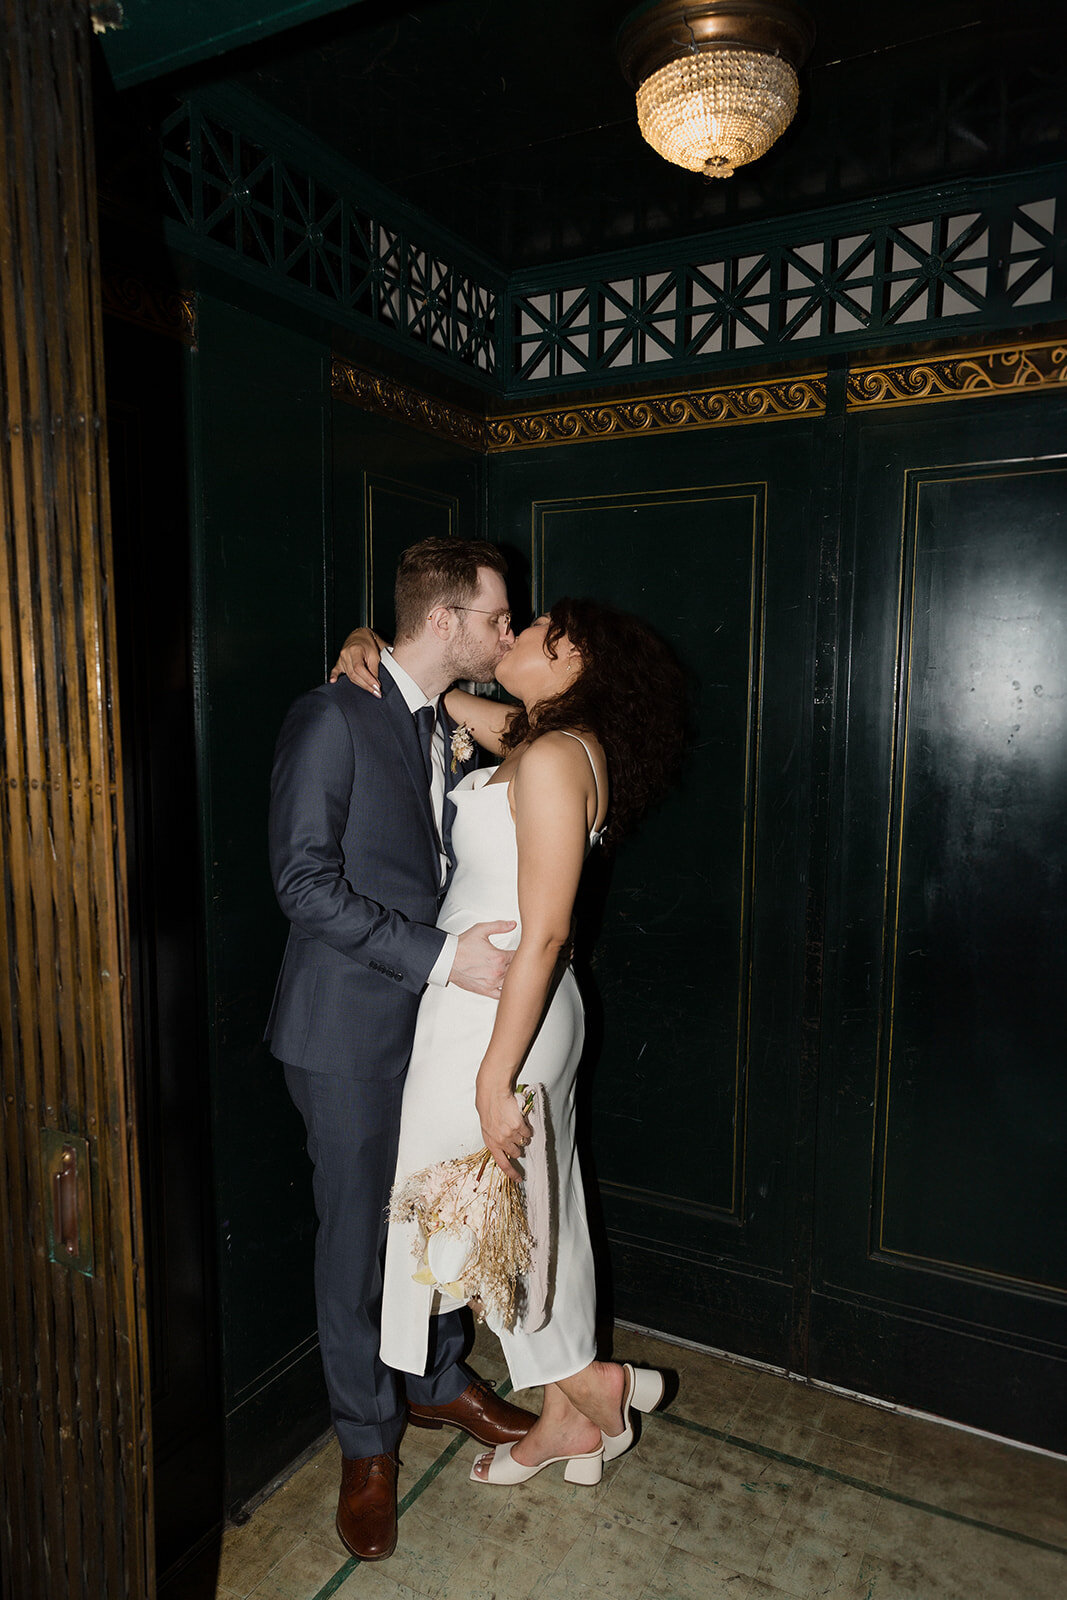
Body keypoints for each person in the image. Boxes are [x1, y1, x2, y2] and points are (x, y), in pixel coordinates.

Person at [332, 597, 685, 1487]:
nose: (513, 635)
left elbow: (545, 931)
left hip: (501, 1017)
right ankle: (567, 1418)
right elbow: (449, 705)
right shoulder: (543, 739)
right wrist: (368, 644)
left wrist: (496, 1076)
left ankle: (584, 1380)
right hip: (503, 1012)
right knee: (524, 1217)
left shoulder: (556, 757)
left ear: (570, 659)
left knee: (476, 1223)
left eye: (530, 632)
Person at [266, 539, 539, 1563]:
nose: (505, 633)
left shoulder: (427, 720)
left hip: (424, 1030)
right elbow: (301, 883)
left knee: (429, 1217)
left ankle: (432, 1381)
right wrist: (438, 957)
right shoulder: (332, 714)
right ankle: (365, 1444)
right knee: (352, 1244)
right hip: (342, 1034)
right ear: (444, 621)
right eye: (495, 617)